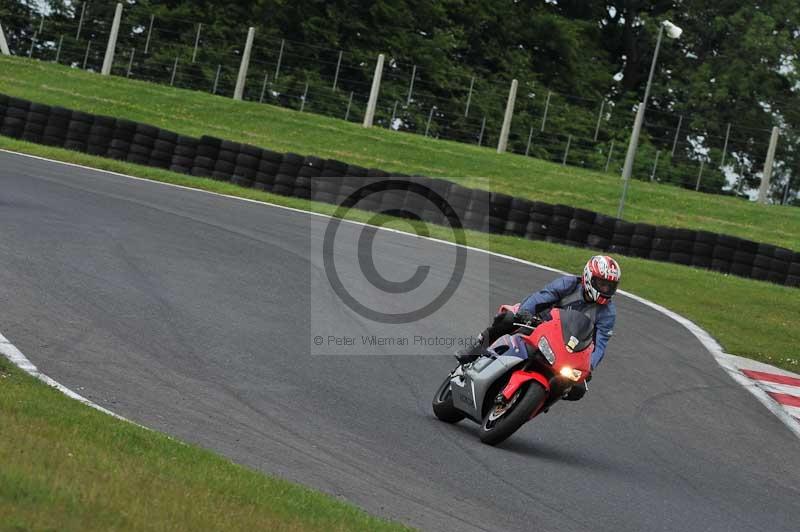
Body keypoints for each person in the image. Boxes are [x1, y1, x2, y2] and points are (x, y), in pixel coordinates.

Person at [455, 255, 621, 401]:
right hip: (539, 324)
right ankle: (475, 349)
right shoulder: (569, 284)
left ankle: (538, 400)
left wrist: (589, 367)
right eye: (602, 284)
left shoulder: (608, 313)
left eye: (610, 286)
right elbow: (542, 297)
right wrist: (525, 313)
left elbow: (600, 345)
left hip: (567, 348)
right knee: (508, 319)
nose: (606, 290)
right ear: (588, 277)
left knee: (577, 388)